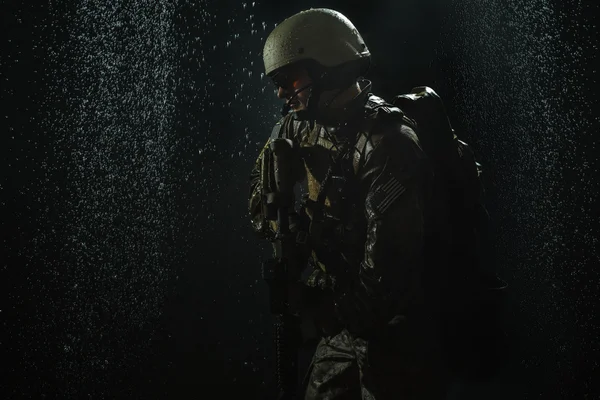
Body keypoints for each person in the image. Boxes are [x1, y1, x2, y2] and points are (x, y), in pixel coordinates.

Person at [249, 8, 446, 399]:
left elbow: (388, 282)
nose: (281, 93)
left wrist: (316, 311)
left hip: (398, 329)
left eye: (289, 79)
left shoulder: (388, 144)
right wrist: (278, 202)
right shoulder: (295, 127)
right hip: (342, 319)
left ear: (328, 68)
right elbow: (259, 214)